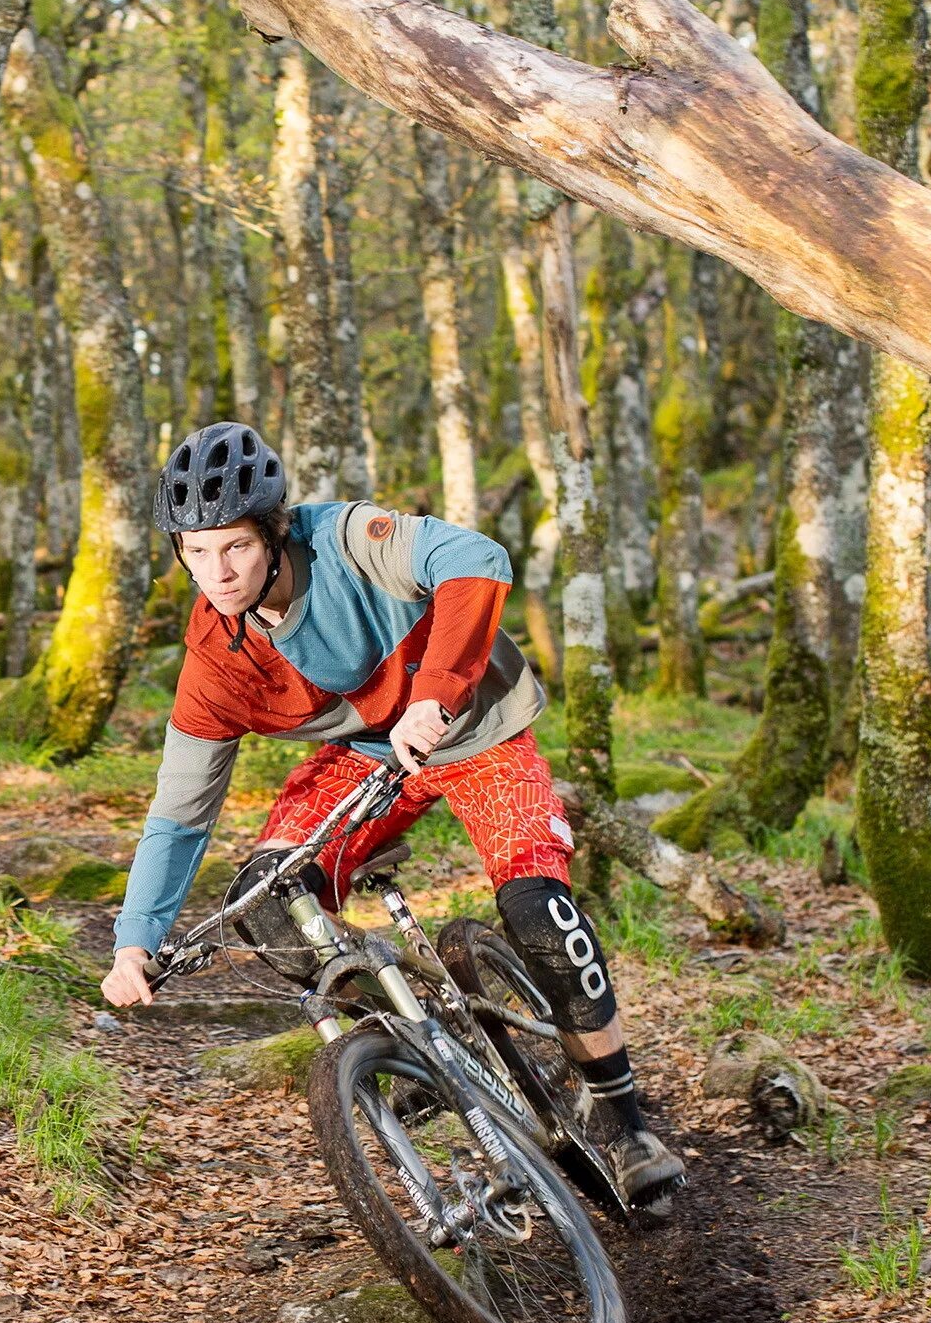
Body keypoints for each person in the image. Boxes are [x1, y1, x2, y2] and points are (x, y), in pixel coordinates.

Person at [99, 419, 687, 1208]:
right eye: (196, 553)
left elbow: (476, 558)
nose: (218, 572)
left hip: (477, 727)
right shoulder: (217, 654)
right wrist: (135, 941)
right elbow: (178, 813)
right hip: (367, 757)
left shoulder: (345, 539)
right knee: (271, 902)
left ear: (273, 532)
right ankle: (414, 1045)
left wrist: (436, 695)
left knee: (540, 914)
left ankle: (624, 1122)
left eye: (234, 546)